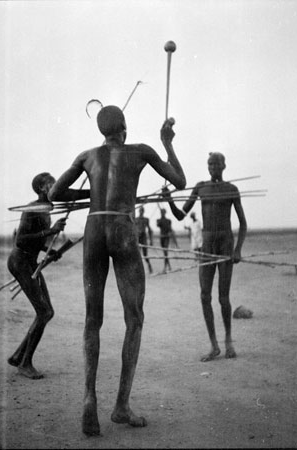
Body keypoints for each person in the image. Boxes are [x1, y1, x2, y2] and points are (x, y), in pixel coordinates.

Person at [49, 105, 186, 436]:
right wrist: (167, 142)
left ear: (102, 132)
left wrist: (92, 194)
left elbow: (54, 194)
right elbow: (179, 181)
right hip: (123, 229)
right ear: (123, 128)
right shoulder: (141, 151)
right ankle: (121, 405)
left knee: (91, 320)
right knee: (134, 319)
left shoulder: (86, 156)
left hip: (95, 228)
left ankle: (88, 399)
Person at [164, 152, 247, 362]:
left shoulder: (231, 189)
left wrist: (237, 250)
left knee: (223, 298)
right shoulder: (201, 187)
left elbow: (243, 223)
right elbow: (181, 215)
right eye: (210, 164)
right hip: (206, 244)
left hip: (226, 244)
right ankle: (214, 346)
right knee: (204, 296)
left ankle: (228, 341)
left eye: (216, 164)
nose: (213, 168)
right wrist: (170, 200)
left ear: (223, 166)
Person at [7, 172, 89, 380]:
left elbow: (72, 194)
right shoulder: (33, 208)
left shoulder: (47, 209)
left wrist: (49, 251)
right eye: (52, 183)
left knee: (48, 312)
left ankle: (18, 356)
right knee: (43, 312)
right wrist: (51, 232)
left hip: (30, 262)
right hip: (20, 262)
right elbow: (21, 240)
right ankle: (25, 364)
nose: (57, 185)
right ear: (43, 188)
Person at [135, 206, 153, 274]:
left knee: (145, 255)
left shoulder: (146, 219)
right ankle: (137, 270)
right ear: (139, 211)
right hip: (137, 238)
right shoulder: (136, 219)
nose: (141, 212)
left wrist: (151, 240)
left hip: (144, 238)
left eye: (142, 210)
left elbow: (150, 230)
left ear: (143, 211)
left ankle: (149, 267)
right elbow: (133, 229)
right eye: (140, 210)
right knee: (137, 255)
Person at [156, 208, 172, 273]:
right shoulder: (159, 220)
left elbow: (170, 229)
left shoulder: (168, 221)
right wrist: (161, 219)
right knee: (165, 253)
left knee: (165, 252)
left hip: (166, 237)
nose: (162, 213)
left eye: (163, 212)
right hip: (161, 237)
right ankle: (169, 266)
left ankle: (165, 267)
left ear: (165, 213)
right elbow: (158, 225)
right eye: (161, 212)